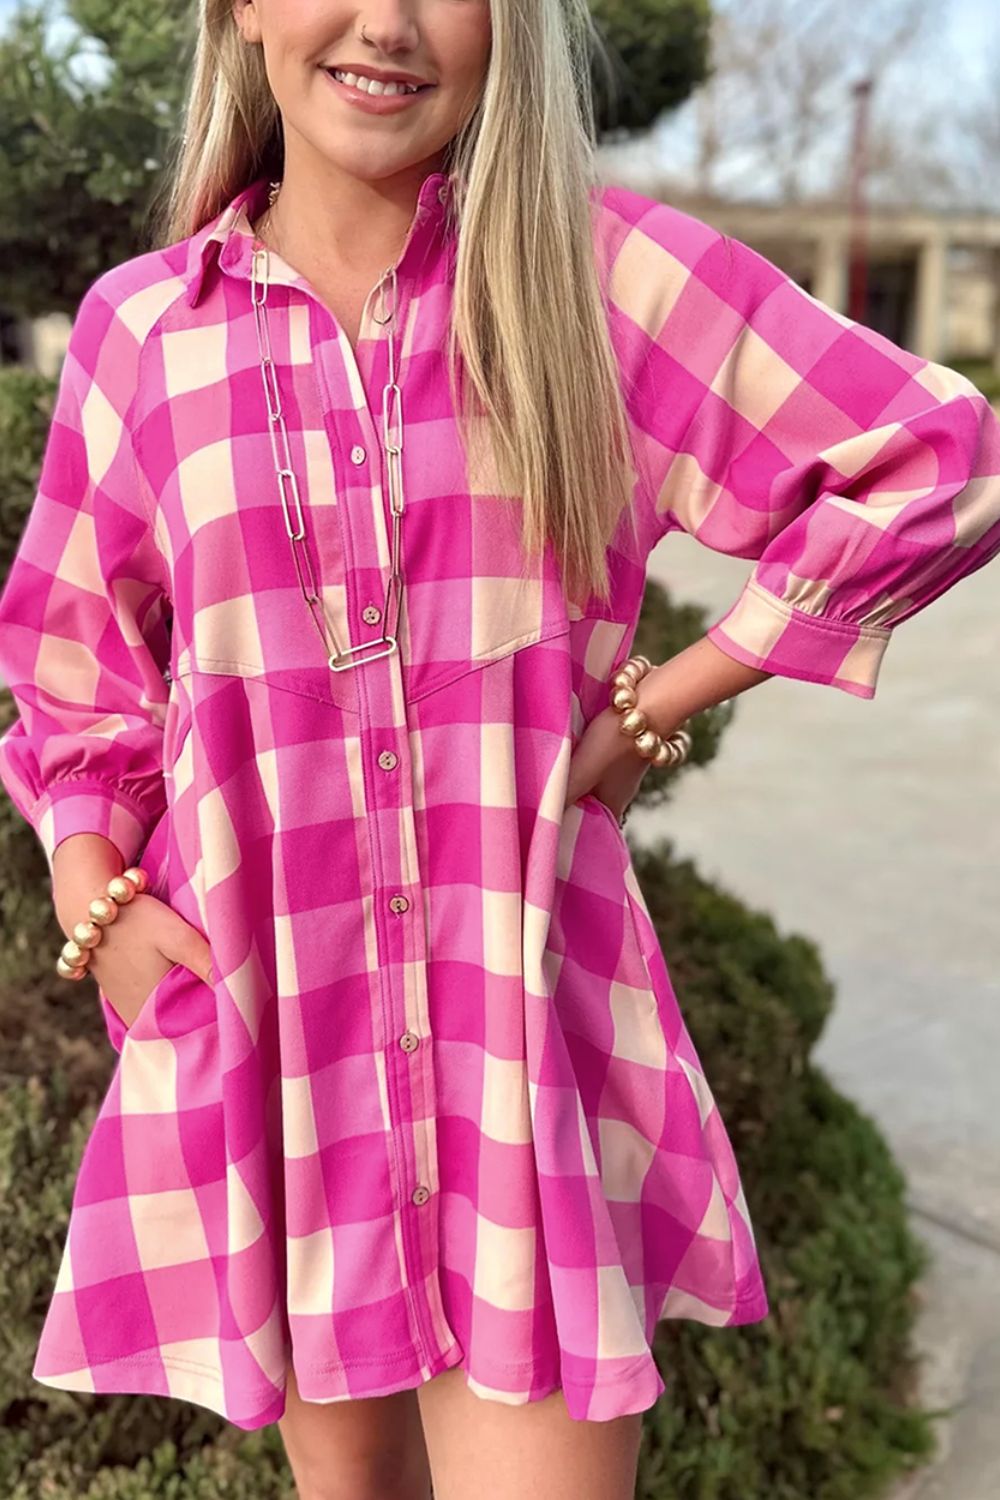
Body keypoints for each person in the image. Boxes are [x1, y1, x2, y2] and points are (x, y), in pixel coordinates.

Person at [1, 1, 998, 1496]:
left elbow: (938, 461)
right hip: (279, 1053)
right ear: (243, 9)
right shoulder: (143, 331)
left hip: (521, 1052)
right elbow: (72, 664)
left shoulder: (598, 284)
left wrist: (666, 698)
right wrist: (99, 901)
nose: (389, 23)